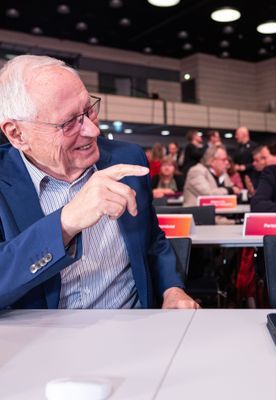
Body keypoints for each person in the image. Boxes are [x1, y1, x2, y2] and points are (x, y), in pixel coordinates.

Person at [0, 54, 198, 310]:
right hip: (40, 341)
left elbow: (152, 240)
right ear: (17, 134)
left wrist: (172, 289)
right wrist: (64, 224)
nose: (93, 131)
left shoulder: (127, 158)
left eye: (89, 110)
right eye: (69, 123)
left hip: (133, 329)